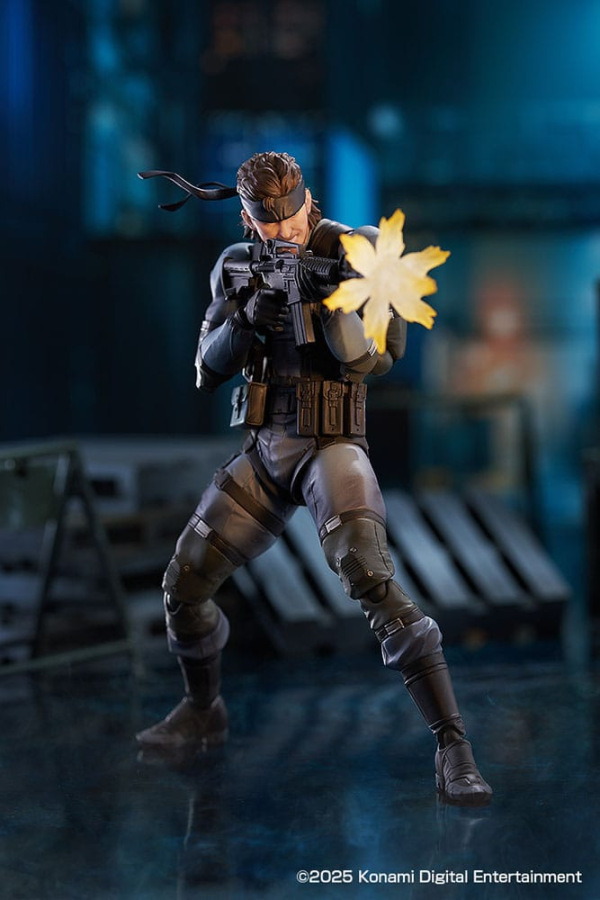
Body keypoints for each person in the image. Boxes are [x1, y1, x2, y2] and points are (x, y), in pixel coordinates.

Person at [136, 151, 492, 804]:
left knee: (369, 575)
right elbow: (207, 371)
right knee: (184, 582)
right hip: (265, 449)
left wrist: (330, 307)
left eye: (292, 216)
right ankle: (203, 711)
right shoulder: (236, 266)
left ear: (307, 200)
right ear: (248, 218)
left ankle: (454, 747)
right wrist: (249, 318)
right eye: (267, 223)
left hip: (329, 443)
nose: (284, 231)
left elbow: (378, 360)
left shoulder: (354, 252)